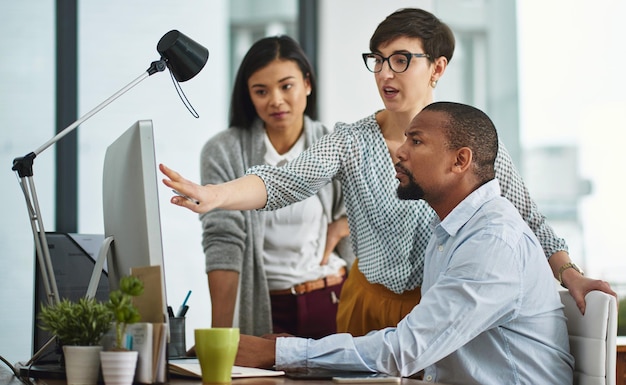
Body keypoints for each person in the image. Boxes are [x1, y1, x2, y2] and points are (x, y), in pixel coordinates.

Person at [160, 8, 614, 337]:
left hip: (435, 308)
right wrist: (218, 196)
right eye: (377, 60)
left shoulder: (468, 141)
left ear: (437, 68)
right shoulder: (350, 139)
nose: (384, 73)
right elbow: (284, 181)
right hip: (363, 303)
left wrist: (569, 272)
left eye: (400, 59)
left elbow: (527, 217)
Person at [232, 102, 575, 384]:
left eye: (416, 141)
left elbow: (405, 351)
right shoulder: (451, 231)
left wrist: (280, 355)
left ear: (460, 161)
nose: (398, 152)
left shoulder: (492, 241)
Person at [197, 35, 353, 339]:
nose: (276, 100)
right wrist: (221, 337)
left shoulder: (333, 142)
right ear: (248, 95)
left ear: (307, 84)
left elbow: (381, 205)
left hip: (332, 298)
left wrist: (342, 224)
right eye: (261, 91)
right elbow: (223, 240)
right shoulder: (224, 150)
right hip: (267, 308)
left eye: (287, 86)